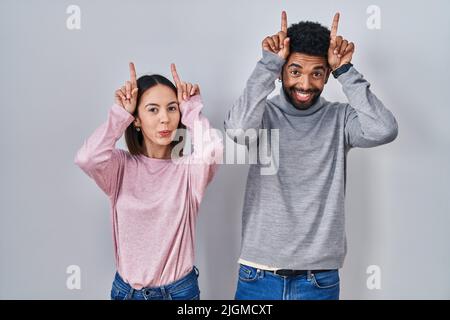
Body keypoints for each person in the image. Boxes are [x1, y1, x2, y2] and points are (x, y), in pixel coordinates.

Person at [224, 11, 398, 300]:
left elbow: (385, 129)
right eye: (294, 71)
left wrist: (346, 71)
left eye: (316, 73)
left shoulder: (340, 119)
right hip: (258, 275)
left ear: (327, 75)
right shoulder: (262, 114)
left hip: (318, 280)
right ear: (281, 71)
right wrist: (268, 64)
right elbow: (239, 130)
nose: (305, 84)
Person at [75, 62, 223, 300]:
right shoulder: (120, 167)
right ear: (136, 120)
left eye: (172, 108)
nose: (165, 119)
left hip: (178, 293)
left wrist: (192, 109)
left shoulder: (189, 170)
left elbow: (213, 150)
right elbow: (87, 158)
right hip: (126, 292)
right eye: (153, 110)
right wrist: (119, 115)